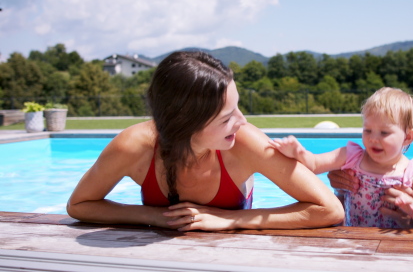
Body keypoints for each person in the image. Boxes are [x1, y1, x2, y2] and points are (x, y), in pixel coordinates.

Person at [67, 51, 344, 231]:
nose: (242, 121)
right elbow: (79, 205)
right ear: (186, 126)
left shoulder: (245, 143)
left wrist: (229, 219)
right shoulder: (134, 146)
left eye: (237, 106)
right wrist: (152, 216)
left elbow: (329, 209)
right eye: (226, 118)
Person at [270, 87, 413, 229]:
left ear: (408, 137)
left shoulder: (412, 174)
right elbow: (314, 164)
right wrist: (298, 152)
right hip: (352, 238)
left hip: (393, 246)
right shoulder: (352, 156)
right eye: (367, 130)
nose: (373, 138)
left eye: (384, 132)